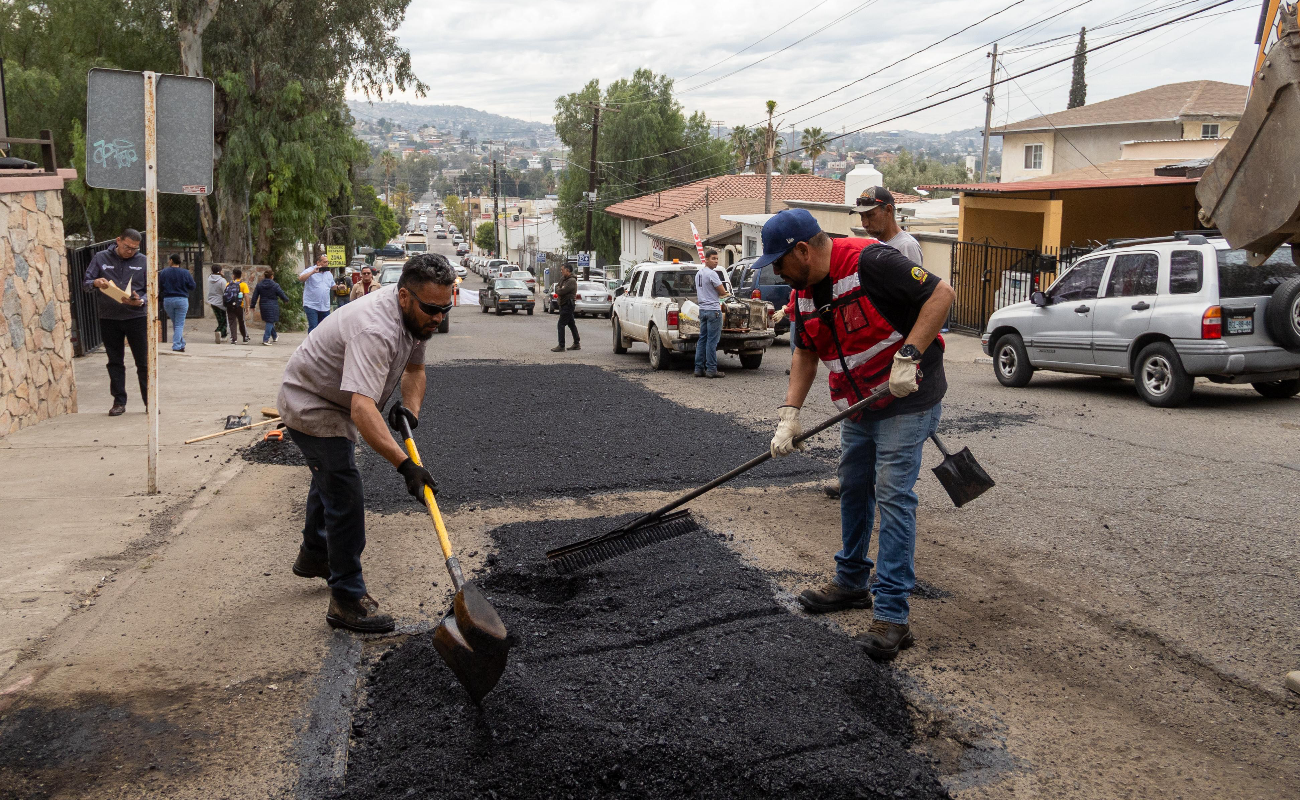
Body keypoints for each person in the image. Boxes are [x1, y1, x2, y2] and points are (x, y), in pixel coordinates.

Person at [761, 208, 954, 661]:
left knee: (892, 496)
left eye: (778, 262)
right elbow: (806, 353)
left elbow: (941, 293)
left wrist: (910, 354)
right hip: (859, 404)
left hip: (908, 394)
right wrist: (790, 415)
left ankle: (892, 616)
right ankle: (850, 583)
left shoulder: (872, 261)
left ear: (803, 251)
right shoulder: (804, 291)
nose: (775, 272)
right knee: (853, 488)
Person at [276, 253, 451, 632]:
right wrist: (406, 465)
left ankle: (314, 554)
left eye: (445, 308)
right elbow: (361, 408)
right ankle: (346, 599)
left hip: (340, 397)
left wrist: (411, 411)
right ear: (404, 297)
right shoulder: (376, 328)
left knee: (329, 475)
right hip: (312, 401)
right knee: (344, 491)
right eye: (432, 309)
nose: (438, 317)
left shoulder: (417, 317)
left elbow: (416, 369)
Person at [84, 229, 149, 415]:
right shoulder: (100, 257)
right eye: (127, 247)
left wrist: (141, 299)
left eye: (134, 249)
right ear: (118, 241)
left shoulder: (143, 261)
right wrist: (96, 283)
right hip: (109, 317)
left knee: (143, 362)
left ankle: (149, 401)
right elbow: (86, 282)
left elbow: (151, 288)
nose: (130, 251)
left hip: (136, 317)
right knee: (115, 361)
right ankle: (119, 401)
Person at [850, 186, 923, 266]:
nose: (864, 224)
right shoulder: (871, 244)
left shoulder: (907, 246)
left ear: (888, 210)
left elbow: (912, 278)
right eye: (862, 216)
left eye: (870, 215)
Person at [693, 248, 731, 378]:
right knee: (712, 341)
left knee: (702, 339)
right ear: (706, 259)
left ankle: (698, 368)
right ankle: (711, 369)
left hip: (702, 309)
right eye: (713, 259)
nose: (716, 261)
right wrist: (726, 293)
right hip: (713, 310)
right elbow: (722, 291)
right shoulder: (712, 274)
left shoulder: (698, 274)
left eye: (717, 259)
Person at [159, 254, 196, 353]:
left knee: (175, 322)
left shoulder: (164, 272)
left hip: (168, 299)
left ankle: (181, 343)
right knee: (179, 323)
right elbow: (192, 286)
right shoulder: (185, 273)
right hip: (181, 299)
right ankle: (176, 345)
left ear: (171, 260)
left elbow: (160, 286)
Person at [250, 268, 291, 345]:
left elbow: (255, 295)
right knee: (270, 321)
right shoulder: (275, 285)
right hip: (272, 305)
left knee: (269, 320)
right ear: (271, 276)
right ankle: (266, 339)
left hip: (263, 304)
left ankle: (275, 336)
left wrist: (252, 305)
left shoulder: (259, 285)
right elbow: (281, 293)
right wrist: (286, 300)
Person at [298, 252, 337, 332]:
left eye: (327, 262)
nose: (327, 264)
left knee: (323, 328)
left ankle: (321, 344)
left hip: (324, 306)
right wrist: (312, 272)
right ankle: (312, 344)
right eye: (324, 262)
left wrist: (339, 287)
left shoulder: (328, 274)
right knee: (313, 327)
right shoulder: (310, 270)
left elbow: (332, 286)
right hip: (311, 305)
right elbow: (301, 279)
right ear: (318, 263)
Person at [551, 264, 579, 352]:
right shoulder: (563, 279)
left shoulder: (571, 281)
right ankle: (577, 343)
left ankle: (561, 345)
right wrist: (559, 289)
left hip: (568, 305)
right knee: (571, 324)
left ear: (567, 270)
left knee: (561, 324)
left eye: (562, 270)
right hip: (563, 304)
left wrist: (560, 289)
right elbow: (557, 287)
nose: (561, 271)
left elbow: (563, 291)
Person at [224, 267, 250, 344]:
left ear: (233, 275)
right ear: (240, 276)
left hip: (229, 306)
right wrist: (247, 306)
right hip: (239, 306)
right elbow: (246, 296)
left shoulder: (228, 284)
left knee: (232, 321)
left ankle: (233, 339)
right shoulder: (243, 284)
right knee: (241, 321)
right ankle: (245, 338)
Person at [205, 264, 228, 343]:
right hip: (221, 302)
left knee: (219, 319)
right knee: (224, 320)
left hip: (212, 302)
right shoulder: (222, 280)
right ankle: (219, 331)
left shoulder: (209, 278)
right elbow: (225, 291)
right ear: (220, 271)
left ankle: (223, 335)